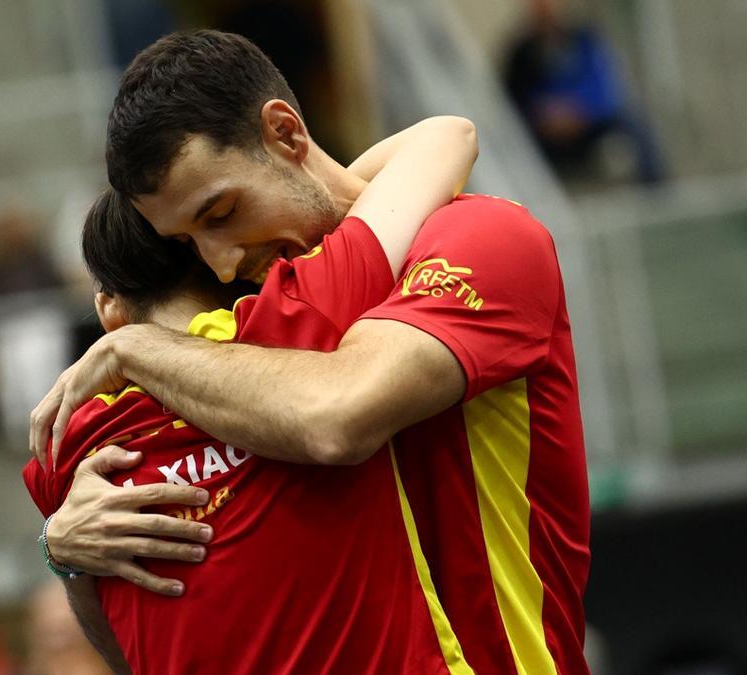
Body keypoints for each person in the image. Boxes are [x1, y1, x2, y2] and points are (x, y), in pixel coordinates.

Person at [30, 30, 590, 674]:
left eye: (221, 214)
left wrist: (135, 349)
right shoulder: (255, 316)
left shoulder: (483, 237)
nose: (222, 260)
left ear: (287, 135)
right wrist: (68, 552)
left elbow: (336, 415)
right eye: (188, 243)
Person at [25, 107, 478, 673]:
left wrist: (58, 551)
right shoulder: (302, 317)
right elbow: (447, 135)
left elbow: (124, 654)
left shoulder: (69, 439)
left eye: (219, 216)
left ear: (108, 308)